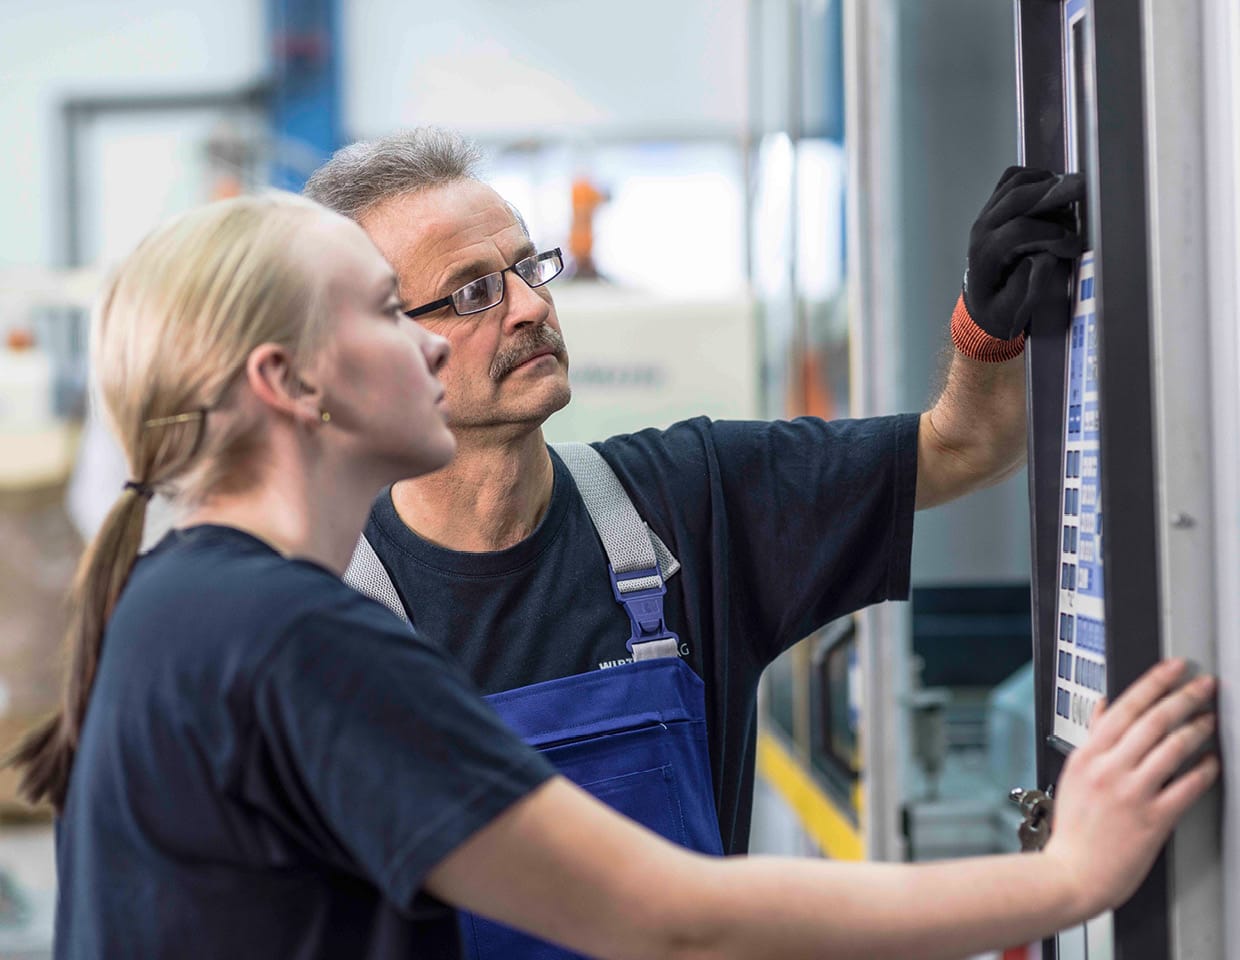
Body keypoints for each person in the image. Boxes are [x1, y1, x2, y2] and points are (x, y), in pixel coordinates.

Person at [4, 192, 1218, 960]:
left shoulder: (190, 604)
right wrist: (1065, 878)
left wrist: (990, 335)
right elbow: (667, 920)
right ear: (289, 382)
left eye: (525, 268)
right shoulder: (292, 635)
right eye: (399, 309)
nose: (446, 337)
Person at [302, 129, 1080, 866]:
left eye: (528, 268)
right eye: (474, 292)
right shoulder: (314, 615)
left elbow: (965, 447)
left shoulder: (691, 501)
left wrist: (988, 320)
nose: (533, 306)